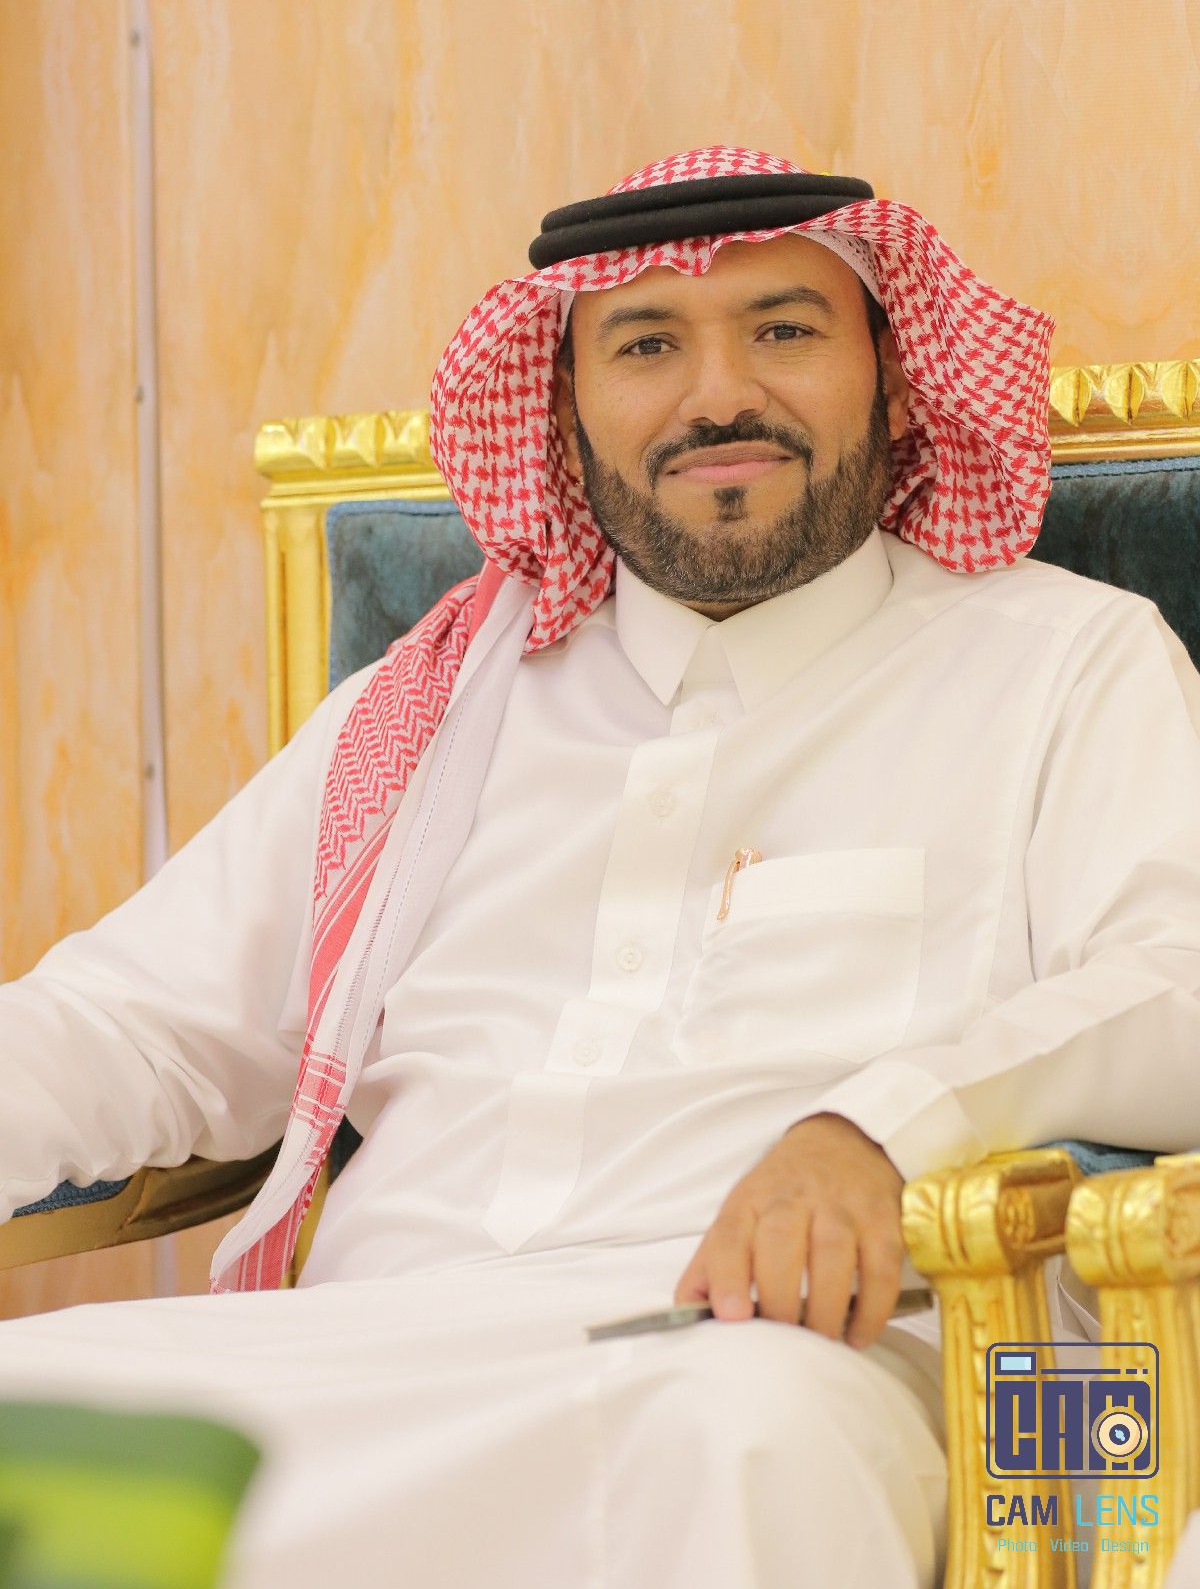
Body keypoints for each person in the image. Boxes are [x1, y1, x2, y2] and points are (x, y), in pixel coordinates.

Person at [1, 146, 1198, 1589]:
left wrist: (878, 1129)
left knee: (742, 1437)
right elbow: (130, 1021)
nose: (718, 396)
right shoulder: (431, 708)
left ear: (892, 374)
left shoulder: (1061, 665)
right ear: (562, 414)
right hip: (368, 1344)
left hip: (770, 1354)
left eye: (784, 328)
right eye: (645, 344)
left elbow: (1176, 982)